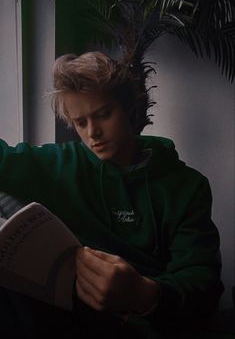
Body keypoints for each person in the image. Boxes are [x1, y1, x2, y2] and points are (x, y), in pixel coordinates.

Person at [0, 51, 223, 338]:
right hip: (65, 317)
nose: (93, 133)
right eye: (80, 123)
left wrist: (143, 293)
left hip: (141, 322)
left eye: (103, 115)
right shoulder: (60, 164)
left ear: (129, 107)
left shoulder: (187, 186)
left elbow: (201, 283)